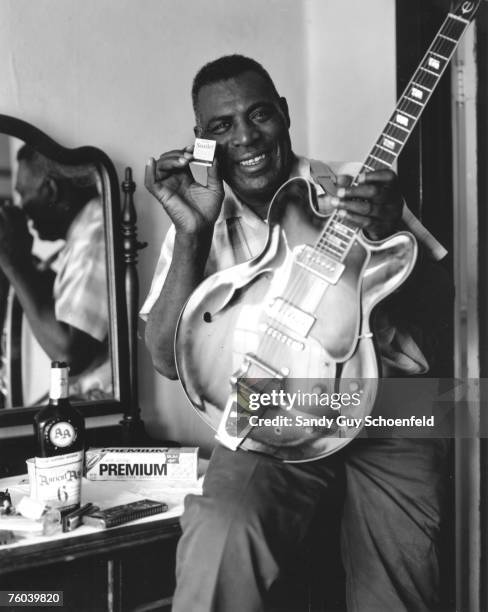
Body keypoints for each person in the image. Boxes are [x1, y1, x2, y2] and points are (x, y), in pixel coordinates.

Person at [142, 55, 453, 611]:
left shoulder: (356, 185)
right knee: (219, 539)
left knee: (400, 593)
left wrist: (391, 223)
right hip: (268, 404)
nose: (245, 136)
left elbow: (443, 301)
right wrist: (193, 231)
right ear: (202, 140)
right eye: (222, 126)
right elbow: (167, 360)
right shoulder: (199, 213)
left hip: (392, 403)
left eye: (259, 114)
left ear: (284, 114)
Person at [0, 145, 111, 400]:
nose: (22, 208)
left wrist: (14, 264)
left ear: (51, 190)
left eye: (23, 194)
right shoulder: (82, 234)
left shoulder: (94, 235)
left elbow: (69, 355)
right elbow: (57, 310)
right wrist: (19, 256)